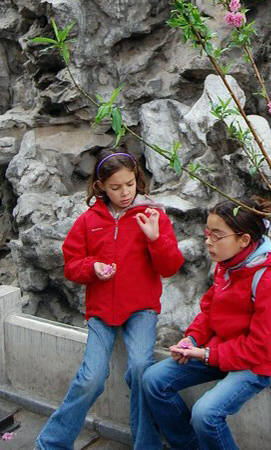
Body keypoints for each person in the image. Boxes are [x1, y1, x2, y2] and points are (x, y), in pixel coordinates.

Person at [35, 147, 185, 450]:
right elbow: (71, 266)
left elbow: (171, 267)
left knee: (141, 369)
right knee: (90, 378)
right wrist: (94, 267)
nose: (125, 192)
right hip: (101, 312)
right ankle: (51, 444)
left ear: (137, 179)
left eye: (130, 184)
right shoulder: (88, 221)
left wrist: (155, 237)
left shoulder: (152, 215)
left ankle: (146, 445)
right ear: (100, 186)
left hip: (141, 309)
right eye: (116, 187)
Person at [142, 196, 271, 450]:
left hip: (253, 363)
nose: (208, 242)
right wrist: (192, 338)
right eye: (207, 233)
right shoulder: (228, 266)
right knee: (153, 380)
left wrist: (206, 354)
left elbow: (261, 348)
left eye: (217, 236)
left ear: (244, 240)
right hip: (220, 350)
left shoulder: (270, 282)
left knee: (206, 414)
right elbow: (209, 310)